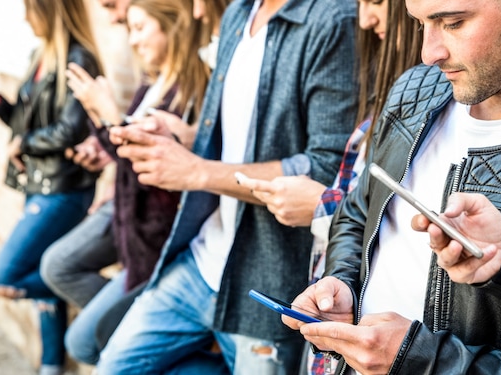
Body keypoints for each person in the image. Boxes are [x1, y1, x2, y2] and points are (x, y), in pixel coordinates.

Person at [282, 0, 501, 373]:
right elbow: (359, 211)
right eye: (420, 24)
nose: (428, 53)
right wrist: (342, 284)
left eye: (453, 23)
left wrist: (426, 362)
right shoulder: (414, 89)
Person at [98, 0, 358, 372]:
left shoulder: (333, 19)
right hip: (201, 260)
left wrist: (197, 171)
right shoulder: (240, 12)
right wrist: (182, 140)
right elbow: (231, 140)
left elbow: (325, 173)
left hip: (268, 283)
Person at [240, 0, 422, 373]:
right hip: (344, 321)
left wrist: (322, 207)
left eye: (374, 3)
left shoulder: (428, 107)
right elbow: (363, 210)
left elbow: (404, 225)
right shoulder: (391, 97)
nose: (365, 20)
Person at [39, 0, 211, 368]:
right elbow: (128, 153)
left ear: (172, 28)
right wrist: (102, 138)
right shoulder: (153, 80)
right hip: (132, 230)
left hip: (157, 244)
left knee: (86, 342)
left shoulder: (191, 92)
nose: (132, 39)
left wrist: (107, 116)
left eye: (139, 28)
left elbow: (161, 178)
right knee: (74, 306)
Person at [0, 0, 103, 374]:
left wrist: (24, 145)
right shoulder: (40, 56)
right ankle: (51, 364)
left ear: (50, 10)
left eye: (30, 9)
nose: (25, 18)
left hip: (64, 188)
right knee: (46, 294)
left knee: (4, 276)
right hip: (37, 184)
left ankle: (93, 286)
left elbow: (69, 130)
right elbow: (25, 123)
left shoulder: (78, 59)